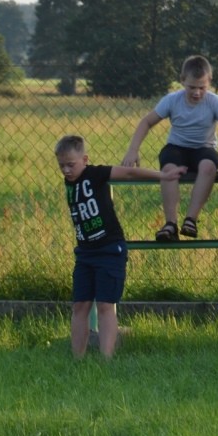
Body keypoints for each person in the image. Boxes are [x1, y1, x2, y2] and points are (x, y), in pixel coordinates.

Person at [56, 134, 185, 358]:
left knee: (106, 305)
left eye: (71, 165)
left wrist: (162, 175)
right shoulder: (69, 182)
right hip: (85, 253)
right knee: (80, 306)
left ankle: (106, 358)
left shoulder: (95, 174)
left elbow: (129, 172)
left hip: (109, 250)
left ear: (84, 160)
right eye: (61, 166)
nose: (66, 170)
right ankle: (77, 358)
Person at [122, 55, 218, 241]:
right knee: (169, 169)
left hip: (204, 148)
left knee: (208, 167)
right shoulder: (172, 100)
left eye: (202, 87)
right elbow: (146, 122)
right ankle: (170, 224)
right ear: (182, 81)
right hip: (177, 147)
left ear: (209, 82)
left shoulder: (214, 102)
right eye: (191, 87)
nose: (196, 93)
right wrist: (133, 150)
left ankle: (191, 220)